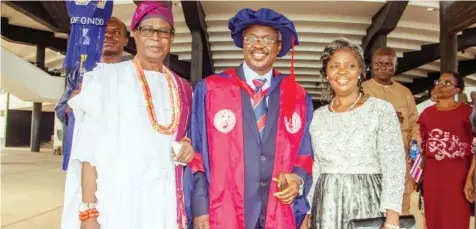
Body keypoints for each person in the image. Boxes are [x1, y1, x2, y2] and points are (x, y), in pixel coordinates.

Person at [61, 2, 194, 229]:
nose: (155, 37)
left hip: (164, 202)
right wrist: (89, 212)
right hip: (117, 203)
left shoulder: (183, 88)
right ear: (135, 35)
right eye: (147, 29)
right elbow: (88, 153)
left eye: (163, 31)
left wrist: (188, 145)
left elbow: (189, 137)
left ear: (171, 38)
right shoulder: (105, 79)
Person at [189, 8, 314, 229]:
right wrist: (200, 207)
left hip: (278, 211)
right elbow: (197, 153)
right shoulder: (211, 89)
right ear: (242, 43)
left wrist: (298, 181)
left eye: (267, 39)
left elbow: (305, 154)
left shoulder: (297, 96)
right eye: (251, 38)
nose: (258, 45)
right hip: (225, 209)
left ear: (278, 47)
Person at [305, 38, 405, 229]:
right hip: (325, 206)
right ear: (326, 73)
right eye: (334, 66)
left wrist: (392, 221)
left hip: (367, 205)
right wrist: (308, 212)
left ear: (360, 71)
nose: (342, 71)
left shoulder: (380, 110)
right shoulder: (317, 117)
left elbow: (394, 166)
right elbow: (316, 168)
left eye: (350, 65)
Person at [56, 17, 129, 170]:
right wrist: (72, 104)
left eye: (116, 32)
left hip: (119, 156)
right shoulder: (79, 73)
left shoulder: (133, 75)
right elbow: (61, 110)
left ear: (126, 41)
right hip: (84, 154)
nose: (108, 36)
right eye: (103, 32)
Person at [362, 47, 421, 216]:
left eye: (388, 64)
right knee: (372, 204)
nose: (383, 67)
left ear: (395, 66)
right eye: (378, 64)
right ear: (371, 66)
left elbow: (414, 124)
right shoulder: (362, 90)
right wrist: (386, 116)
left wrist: (415, 145)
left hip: (400, 157)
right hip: (372, 157)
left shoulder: (405, 92)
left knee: (401, 205)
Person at [418, 72, 473, 229]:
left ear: (457, 89)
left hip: (459, 176)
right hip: (433, 175)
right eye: (439, 81)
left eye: (447, 83)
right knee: (433, 218)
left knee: (457, 219)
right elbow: (423, 146)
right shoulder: (427, 114)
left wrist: (470, 179)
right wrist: (419, 174)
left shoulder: (468, 112)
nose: (440, 85)